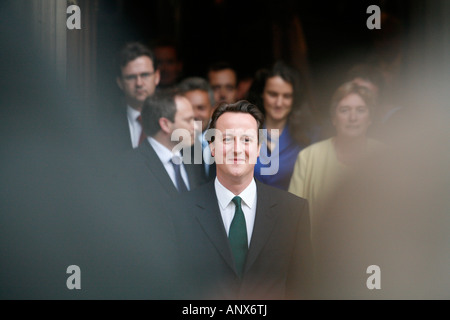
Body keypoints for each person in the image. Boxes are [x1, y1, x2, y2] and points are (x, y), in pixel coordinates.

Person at [173, 100, 313, 299]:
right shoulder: (179, 211)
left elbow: (304, 289)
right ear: (212, 146)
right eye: (227, 139)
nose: (237, 149)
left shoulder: (293, 211)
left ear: (258, 148)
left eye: (246, 140)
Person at [288, 81, 384, 242]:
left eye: (360, 110)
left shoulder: (385, 155)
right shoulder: (308, 157)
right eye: (344, 110)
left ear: (370, 119)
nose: (353, 118)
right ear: (333, 118)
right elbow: (291, 217)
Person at [248, 61, 321, 191]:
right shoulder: (244, 131)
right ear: (262, 94)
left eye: (286, 96)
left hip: (292, 209)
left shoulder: (310, 136)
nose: (279, 103)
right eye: (273, 94)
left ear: (295, 99)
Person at [121, 88, 206, 199]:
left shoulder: (194, 157)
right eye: (188, 120)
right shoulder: (129, 167)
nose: (195, 126)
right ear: (165, 124)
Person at [102, 42, 161, 155]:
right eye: (131, 77)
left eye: (145, 75)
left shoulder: (176, 119)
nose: (139, 83)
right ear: (120, 82)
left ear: (157, 76)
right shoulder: (105, 126)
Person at [178, 77, 217, 181]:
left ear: (212, 110)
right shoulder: (172, 144)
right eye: (189, 108)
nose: (194, 114)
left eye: (201, 108)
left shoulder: (224, 142)